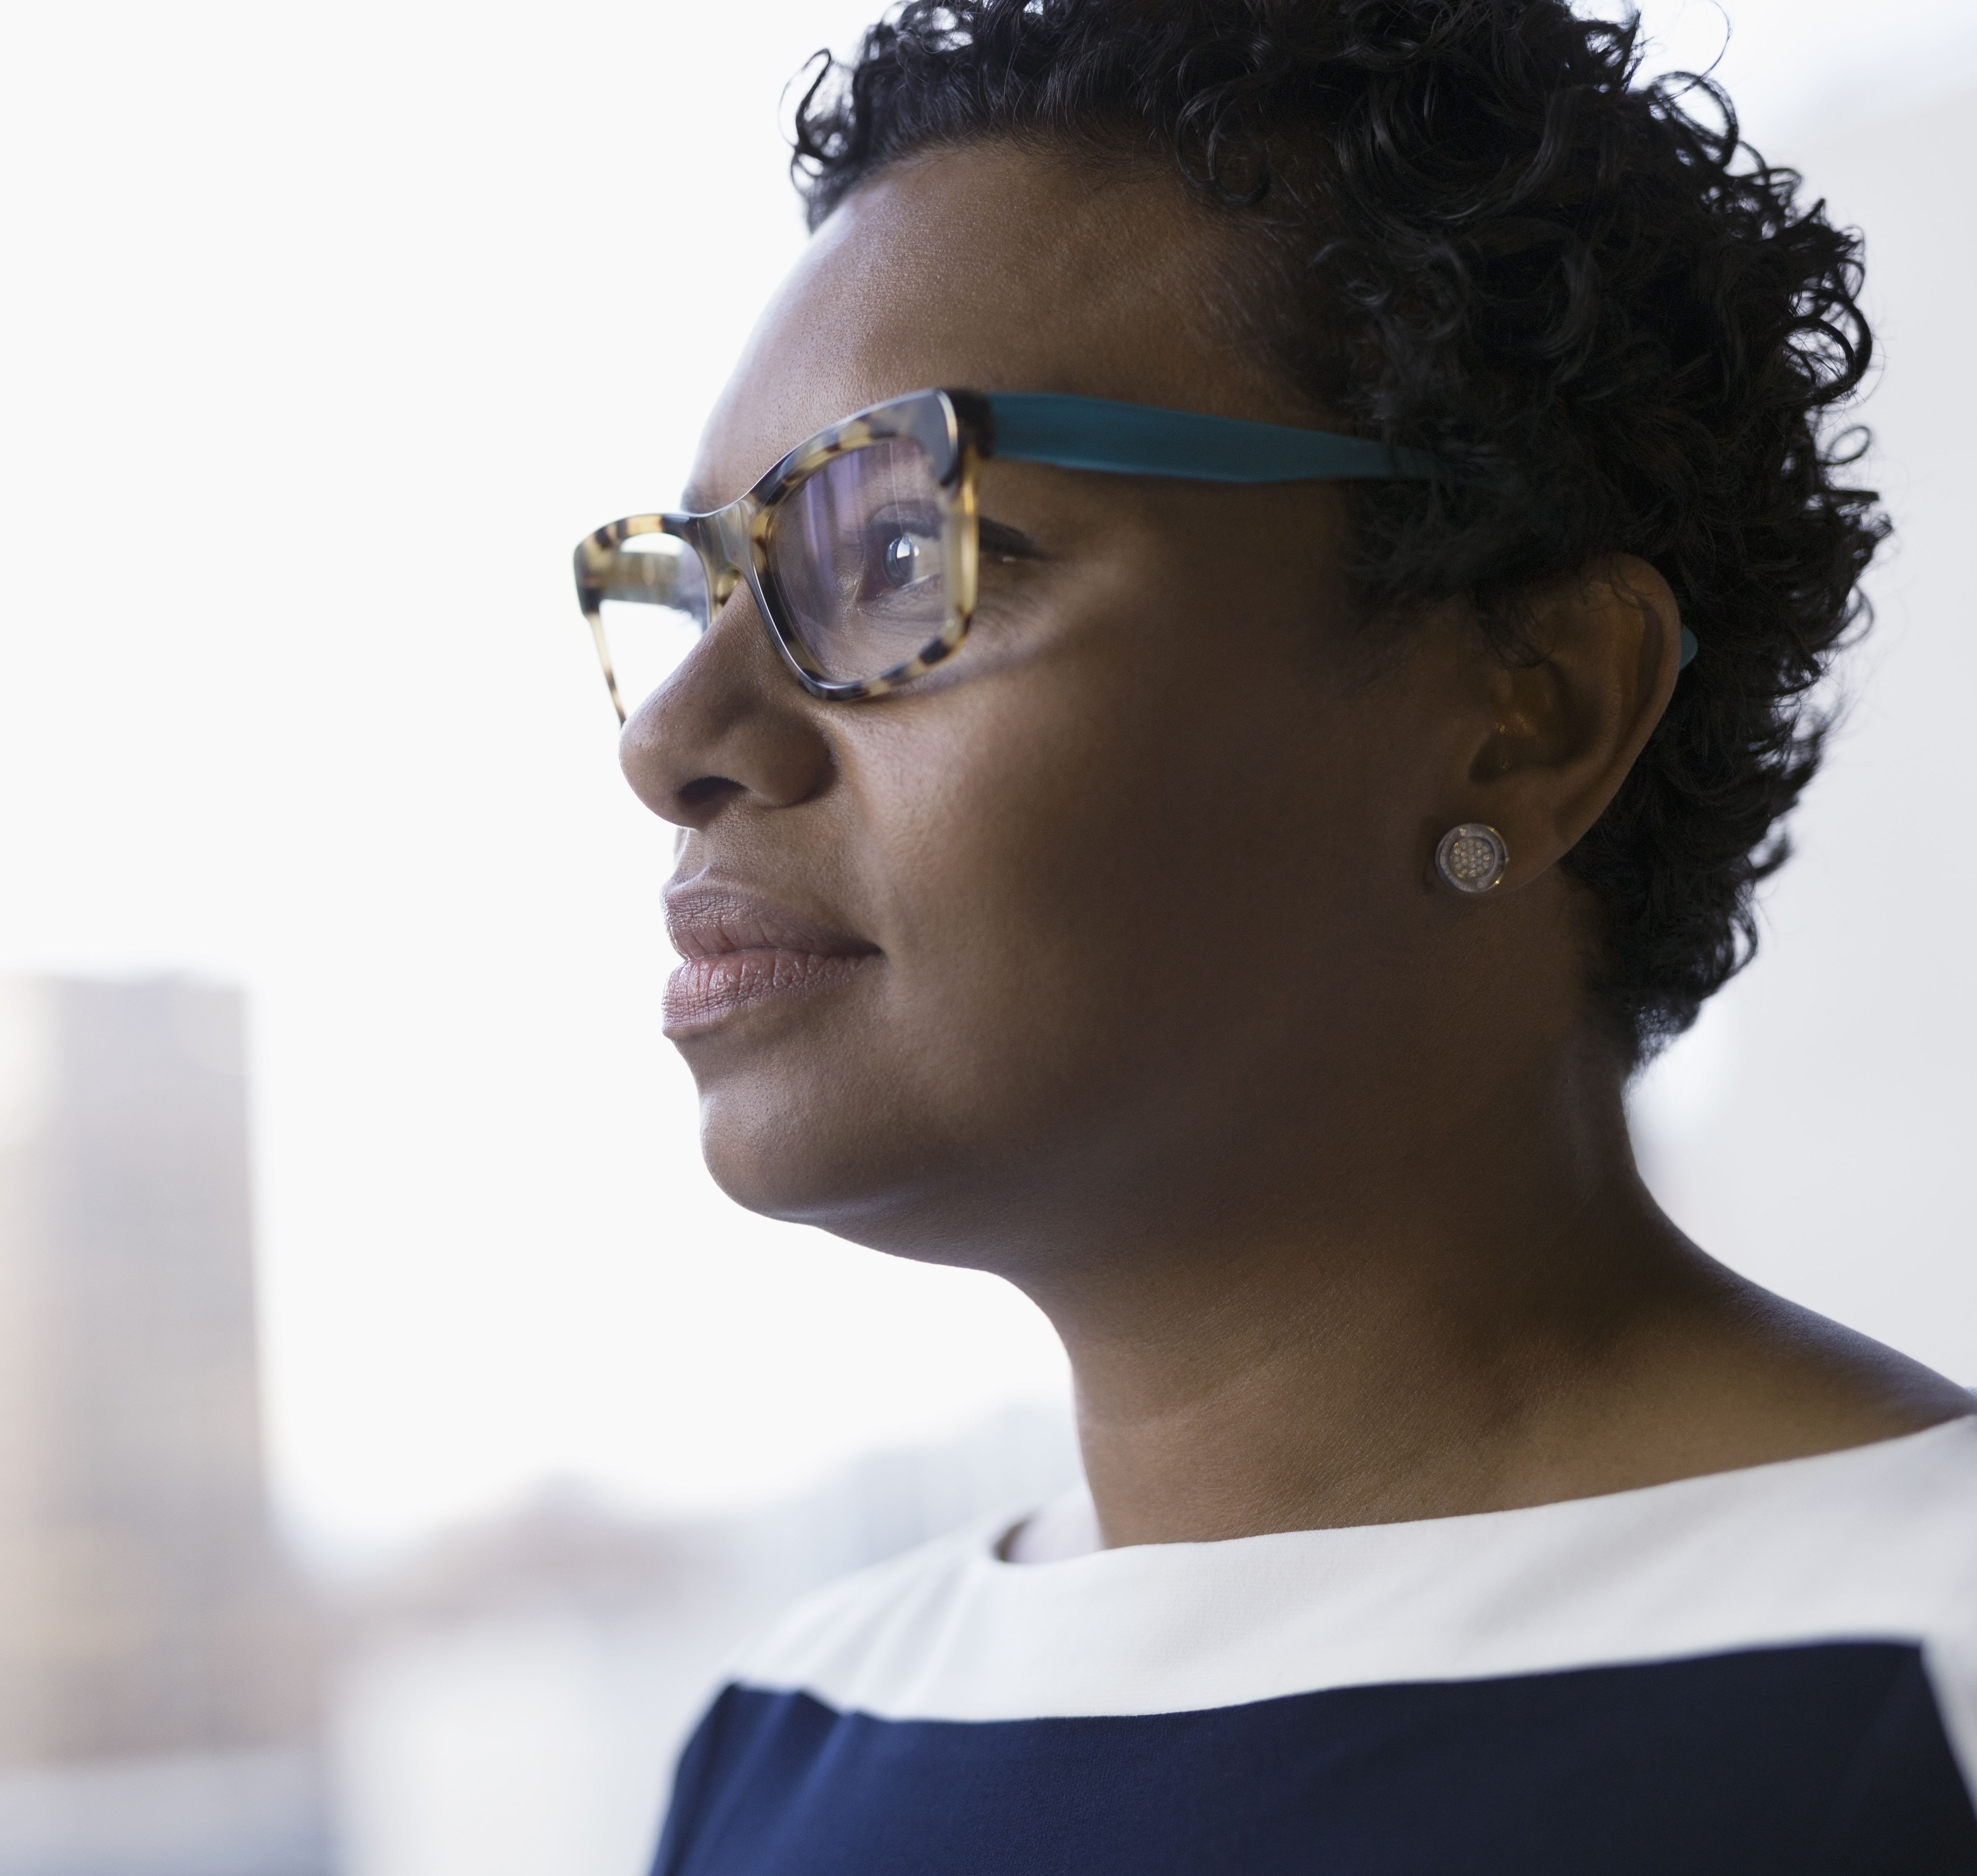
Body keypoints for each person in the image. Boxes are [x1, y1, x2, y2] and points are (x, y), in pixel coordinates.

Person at [567, 0, 1977, 1867]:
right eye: (708, 593)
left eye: (903, 553)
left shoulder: (1923, 1664)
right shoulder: (787, 1742)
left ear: (1529, 705)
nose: (675, 741)